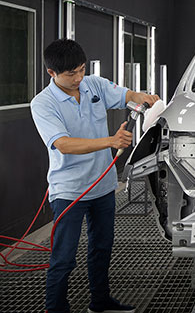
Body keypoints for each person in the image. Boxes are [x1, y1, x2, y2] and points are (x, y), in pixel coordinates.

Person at [30, 39, 160, 313]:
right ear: (51, 73)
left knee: (101, 249)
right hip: (70, 191)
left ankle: (100, 302)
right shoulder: (43, 103)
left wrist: (143, 97)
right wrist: (111, 142)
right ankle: (56, 309)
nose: (78, 78)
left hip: (103, 186)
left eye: (81, 70)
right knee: (64, 257)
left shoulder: (93, 84)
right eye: (70, 74)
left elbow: (126, 95)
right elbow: (63, 144)